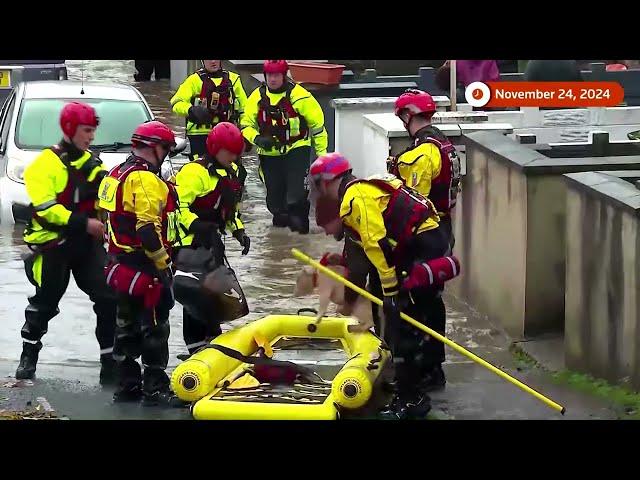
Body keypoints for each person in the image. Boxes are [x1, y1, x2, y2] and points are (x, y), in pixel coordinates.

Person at [309, 153, 450, 419]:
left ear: (328, 180)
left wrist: (392, 293)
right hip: (430, 240)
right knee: (420, 313)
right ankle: (426, 376)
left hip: (422, 245)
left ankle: (411, 400)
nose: (319, 190)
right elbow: (363, 266)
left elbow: (377, 245)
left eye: (319, 183)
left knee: (402, 323)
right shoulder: (364, 190)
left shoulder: (353, 201)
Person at [17, 102, 116, 383]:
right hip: (53, 246)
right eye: (86, 131)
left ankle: (109, 362)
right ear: (70, 130)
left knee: (108, 296)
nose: (91, 137)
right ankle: (29, 356)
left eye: (93, 131)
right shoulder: (42, 166)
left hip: (86, 245)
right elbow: (48, 209)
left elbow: (107, 194)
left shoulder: (92, 163)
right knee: (45, 303)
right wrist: (86, 223)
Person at [97, 121, 180, 406]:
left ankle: (127, 385)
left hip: (120, 264)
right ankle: (155, 388)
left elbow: (107, 217)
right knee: (156, 328)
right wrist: (163, 264)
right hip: (146, 266)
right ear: (155, 148)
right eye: (166, 150)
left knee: (126, 325)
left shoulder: (114, 174)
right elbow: (146, 228)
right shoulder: (144, 180)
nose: (166, 156)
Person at [173, 122, 250, 355]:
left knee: (221, 297)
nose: (233, 157)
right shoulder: (194, 172)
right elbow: (176, 206)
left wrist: (238, 231)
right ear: (215, 148)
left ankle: (209, 342)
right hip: (188, 244)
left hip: (213, 245)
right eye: (229, 152)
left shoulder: (233, 172)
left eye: (237, 153)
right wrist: (198, 226)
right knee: (194, 294)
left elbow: (230, 209)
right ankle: (198, 346)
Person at [241, 60, 328, 234]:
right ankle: (279, 247)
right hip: (269, 154)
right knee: (275, 203)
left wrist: (322, 157)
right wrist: (257, 138)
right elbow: (245, 126)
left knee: (296, 198)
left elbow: (318, 128)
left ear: (284, 75)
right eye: (269, 75)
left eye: (276, 75)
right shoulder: (256, 98)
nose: (272, 79)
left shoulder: (301, 97)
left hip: (297, 149)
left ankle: (300, 235)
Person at [389, 89, 462, 253]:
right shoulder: (443, 143)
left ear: (408, 116)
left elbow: (414, 205)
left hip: (425, 234)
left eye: (402, 118)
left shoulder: (422, 153)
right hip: (444, 229)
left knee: (419, 278)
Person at [170, 60, 248, 160]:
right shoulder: (194, 80)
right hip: (200, 137)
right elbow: (176, 103)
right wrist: (191, 110)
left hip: (227, 135)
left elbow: (245, 110)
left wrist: (244, 136)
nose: (213, 61)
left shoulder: (234, 80)